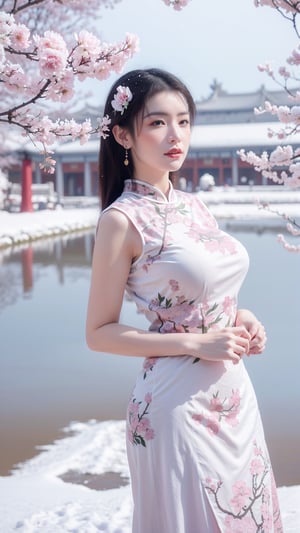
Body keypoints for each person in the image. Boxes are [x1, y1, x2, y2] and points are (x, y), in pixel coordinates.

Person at [86, 68, 283, 533]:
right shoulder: (120, 220)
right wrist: (196, 345)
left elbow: (207, 295)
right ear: (122, 134)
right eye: (157, 122)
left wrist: (242, 315)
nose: (175, 135)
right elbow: (98, 333)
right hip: (174, 405)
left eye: (184, 121)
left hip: (233, 393)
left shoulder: (196, 206)